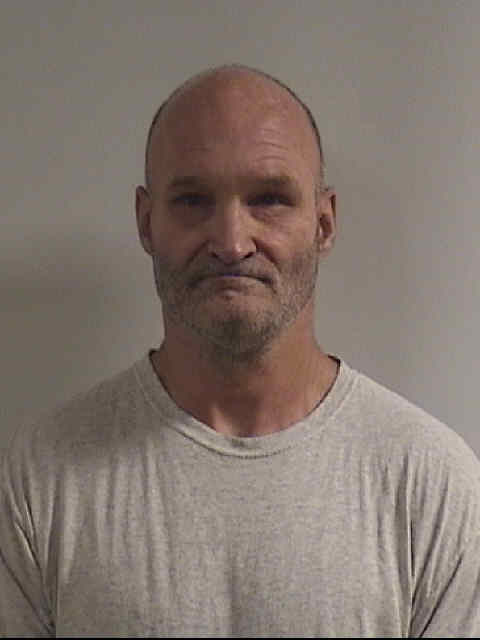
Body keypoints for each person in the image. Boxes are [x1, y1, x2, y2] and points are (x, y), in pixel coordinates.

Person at [1, 64, 479, 638]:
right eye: (193, 200)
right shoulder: (41, 477)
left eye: (269, 199)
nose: (231, 242)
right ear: (147, 223)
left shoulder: (430, 485)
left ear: (324, 224)